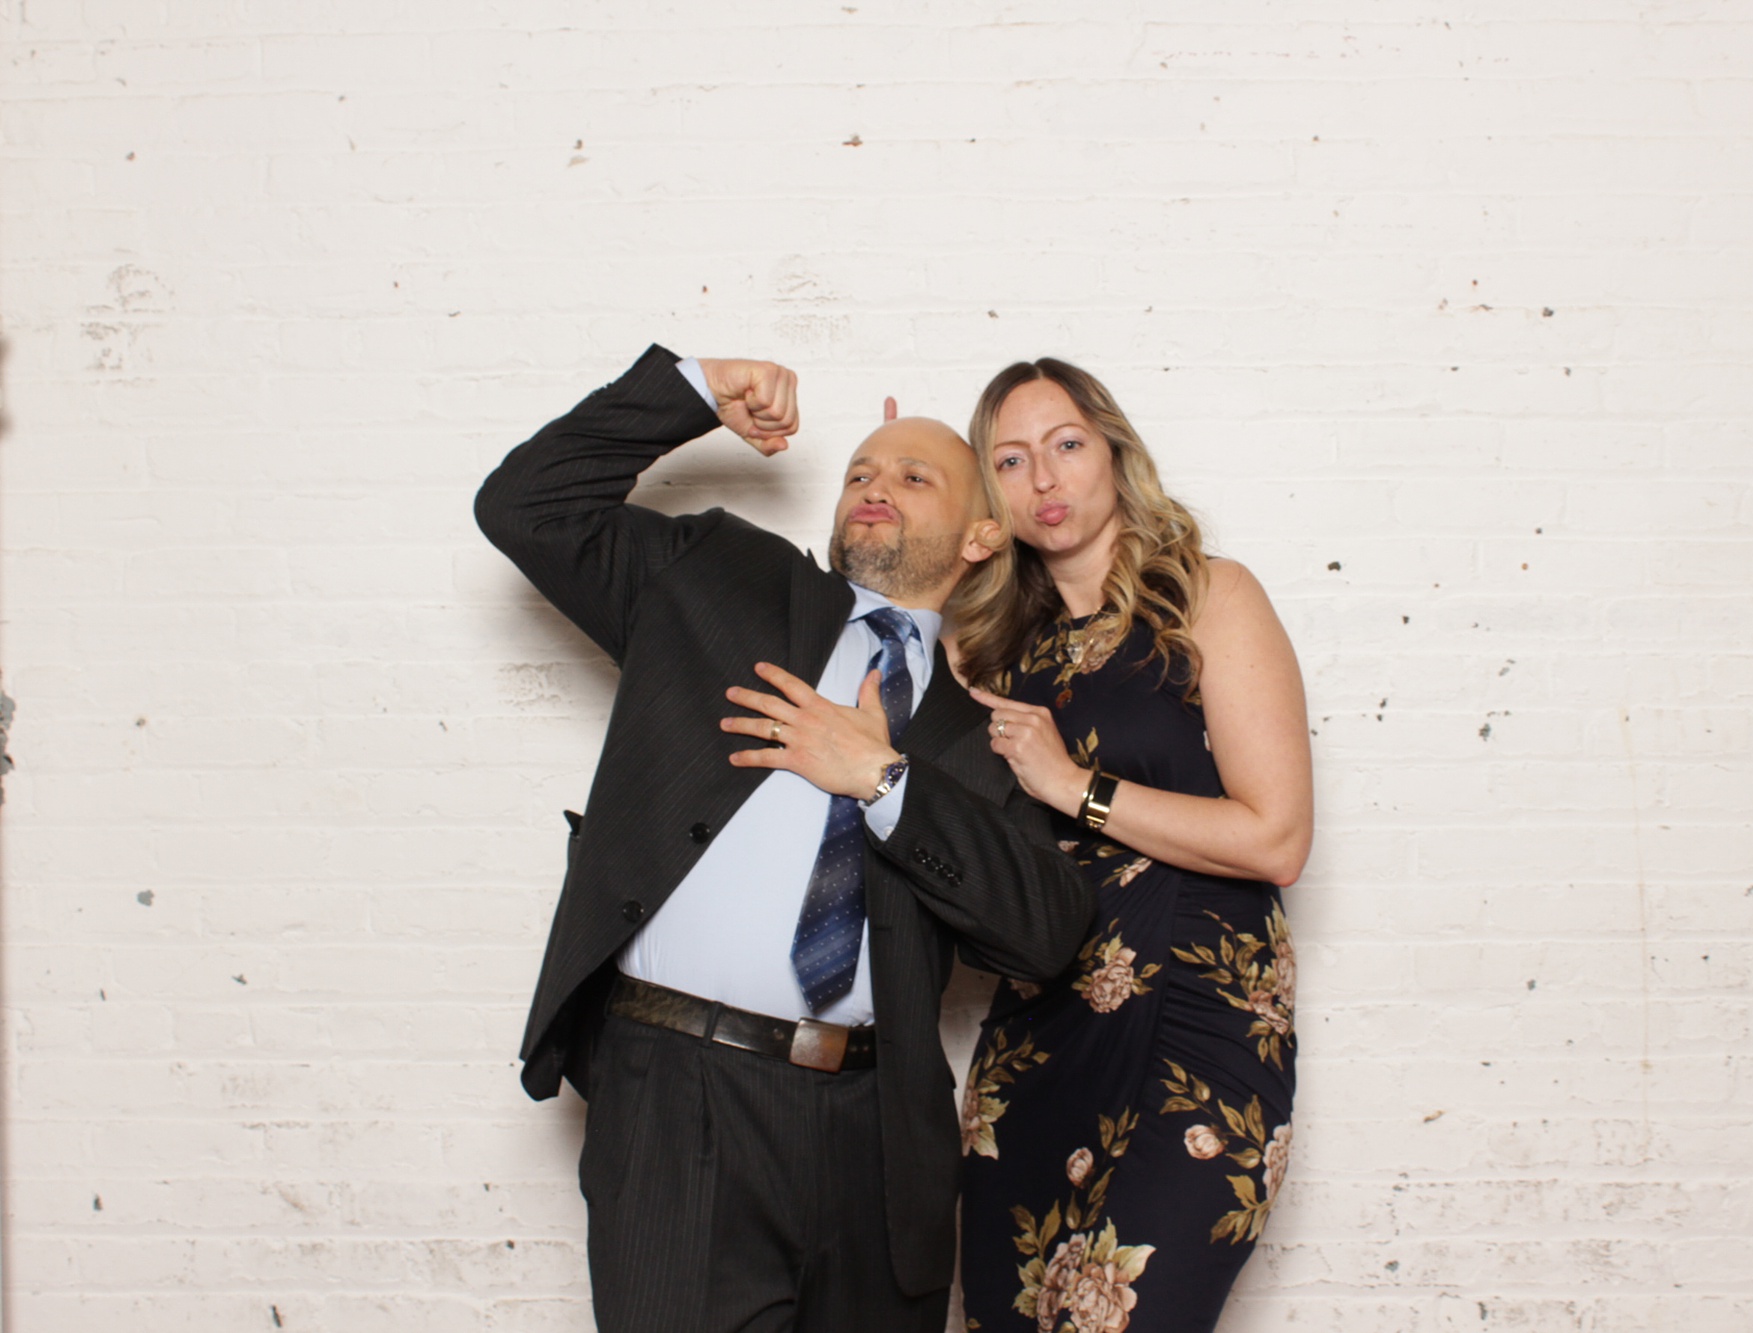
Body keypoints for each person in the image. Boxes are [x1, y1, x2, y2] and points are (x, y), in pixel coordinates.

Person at [474, 345, 1095, 1333]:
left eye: (912, 474)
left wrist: (883, 779)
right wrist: (688, 393)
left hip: (876, 1139)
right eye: (858, 471)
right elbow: (523, 506)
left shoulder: (984, 734)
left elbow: (1045, 933)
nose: (872, 486)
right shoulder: (721, 581)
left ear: (984, 534)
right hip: (680, 1097)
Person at [950, 359, 1313, 1333]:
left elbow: (1275, 838)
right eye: (1011, 461)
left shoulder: (1207, 599)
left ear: (1112, 451)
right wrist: (930, 531)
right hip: (1037, 1036)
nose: (1044, 480)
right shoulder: (989, 652)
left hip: (1195, 1017)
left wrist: (1073, 788)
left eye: (1066, 445)